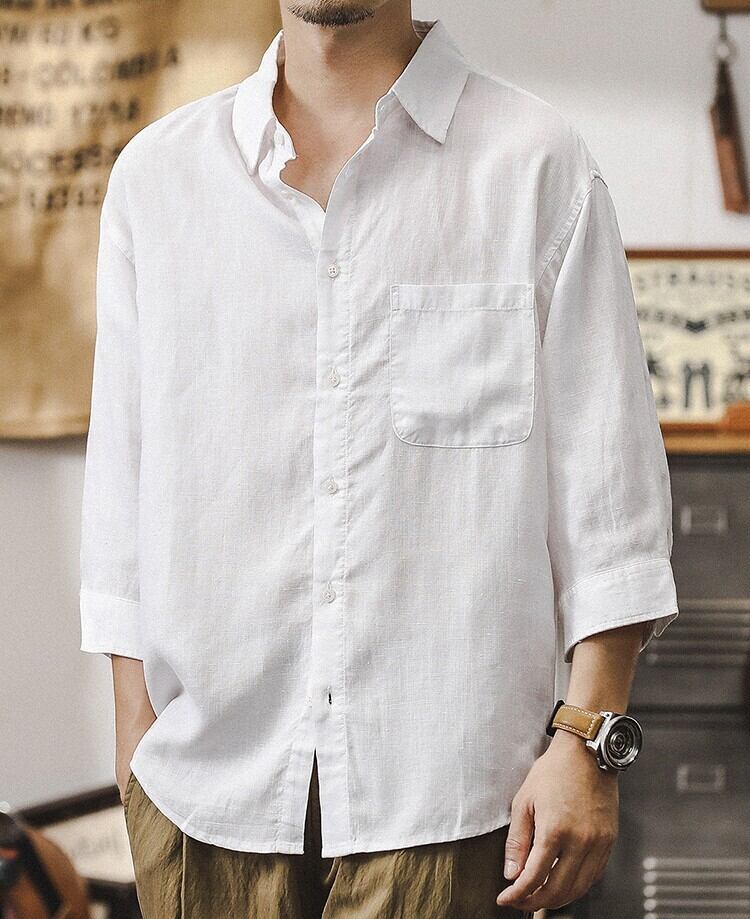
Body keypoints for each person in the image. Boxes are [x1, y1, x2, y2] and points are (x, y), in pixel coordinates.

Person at [79, 1, 680, 916]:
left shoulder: (536, 164)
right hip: (204, 799)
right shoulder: (158, 180)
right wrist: (135, 745)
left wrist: (588, 743)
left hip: (454, 798)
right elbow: (122, 482)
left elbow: (612, 498)